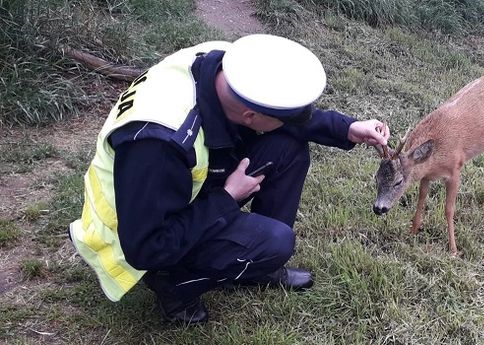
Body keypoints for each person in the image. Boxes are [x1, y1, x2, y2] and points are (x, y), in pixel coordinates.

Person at [69, 34, 390, 324]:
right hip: (135, 237)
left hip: (171, 191)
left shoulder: (227, 64)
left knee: (287, 146)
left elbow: (281, 116)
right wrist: (226, 197)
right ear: (251, 117)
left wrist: (346, 128)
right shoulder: (161, 144)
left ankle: (256, 265)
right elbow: (146, 246)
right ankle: (173, 284)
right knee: (276, 241)